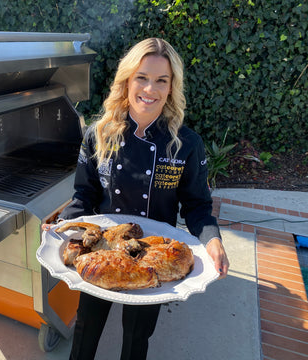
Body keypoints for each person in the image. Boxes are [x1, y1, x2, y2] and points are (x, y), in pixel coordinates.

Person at [51, 37, 230, 360]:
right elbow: (85, 194)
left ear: (172, 87)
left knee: (138, 335)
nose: (150, 89)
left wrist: (212, 240)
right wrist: (64, 226)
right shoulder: (99, 134)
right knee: (86, 326)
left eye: (161, 80)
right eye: (142, 78)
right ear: (127, 81)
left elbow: (197, 206)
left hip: (154, 257)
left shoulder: (186, 144)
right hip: (102, 250)